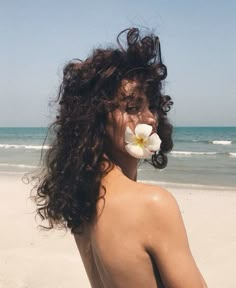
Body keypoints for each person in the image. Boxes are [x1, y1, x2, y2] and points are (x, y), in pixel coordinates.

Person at [33, 28, 207, 287]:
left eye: (153, 106)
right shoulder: (153, 205)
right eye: (132, 108)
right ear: (96, 119)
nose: (150, 118)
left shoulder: (83, 202)